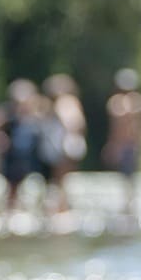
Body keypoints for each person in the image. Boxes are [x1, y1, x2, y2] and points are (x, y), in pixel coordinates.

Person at [0, 79, 46, 211]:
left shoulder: (38, 114)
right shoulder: (7, 115)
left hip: (33, 157)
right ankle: (11, 212)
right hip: (14, 157)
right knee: (12, 188)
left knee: (40, 187)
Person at [38, 73, 87, 214]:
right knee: (63, 180)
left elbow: (73, 121)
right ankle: (61, 208)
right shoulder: (70, 101)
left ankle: (60, 209)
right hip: (68, 144)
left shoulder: (64, 102)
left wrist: (69, 133)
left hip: (64, 145)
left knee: (60, 179)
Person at [102, 67, 141, 213]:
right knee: (129, 176)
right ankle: (129, 203)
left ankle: (128, 204)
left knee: (126, 175)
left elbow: (116, 128)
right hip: (131, 144)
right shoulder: (137, 102)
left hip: (125, 145)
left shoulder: (116, 103)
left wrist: (113, 145)